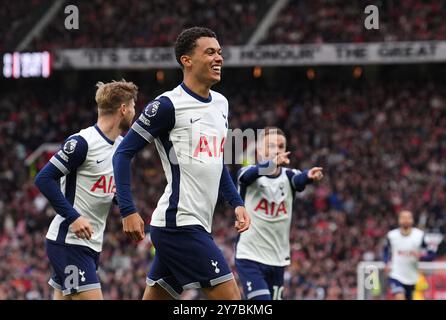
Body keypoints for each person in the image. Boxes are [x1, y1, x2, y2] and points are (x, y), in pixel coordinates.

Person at [112, 27, 250, 300]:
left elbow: (216, 162)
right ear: (186, 60)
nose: (219, 58)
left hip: (192, 224)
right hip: (180, 225)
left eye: (220, 52)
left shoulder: (221, 104)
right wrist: (127, 210)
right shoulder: (167, 105)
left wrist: (236, 202)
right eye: (210, 52)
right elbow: (122, 153)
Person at [35, 80, 137, 299]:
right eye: (133, 106)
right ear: (123, 109)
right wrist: (73, 217)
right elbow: (44, 178)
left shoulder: (121, 147)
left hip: (90, 245)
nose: (134, 112)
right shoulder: (82, 143)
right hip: (69, 243)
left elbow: (106, 189)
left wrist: (127, 207)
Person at [234, 127, 324, 300]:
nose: (276, 150)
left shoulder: (289, 176)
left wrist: (309, 176)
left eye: (281, 146)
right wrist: (271, 164)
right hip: (250, 256)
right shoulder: (248, 173)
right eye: (271, 146)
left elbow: (299, 180)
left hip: (277, 260)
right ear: (260, 151)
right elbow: (245, 178)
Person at [383, 209, 436, 300]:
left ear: (412, 220)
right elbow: (385, 251)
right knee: (400, 297)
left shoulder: (420, 235)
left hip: (412, 277)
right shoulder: (392, 235)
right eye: (403, 218)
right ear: (399, 220)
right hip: (396, 274)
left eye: (408, 218)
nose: (405, 220)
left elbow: (432, 253)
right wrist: (386, 262)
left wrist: (421, 256)